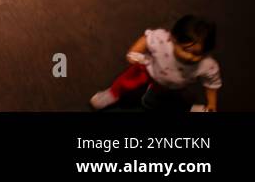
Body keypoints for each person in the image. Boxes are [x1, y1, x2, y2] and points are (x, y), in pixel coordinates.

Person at [91, 16, 221, 112]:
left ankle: (188, 108)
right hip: (148, 69)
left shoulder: (208, 65)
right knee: (127, 81)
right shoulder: (162, 40)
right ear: (173, 38)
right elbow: (146, 39)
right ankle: (113, 93)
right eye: (186, 50)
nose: (191, 57)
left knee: (165, 101)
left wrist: (212, 103)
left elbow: (212, 84)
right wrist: (134, 51)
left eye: (199, 54)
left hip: (172, 85)